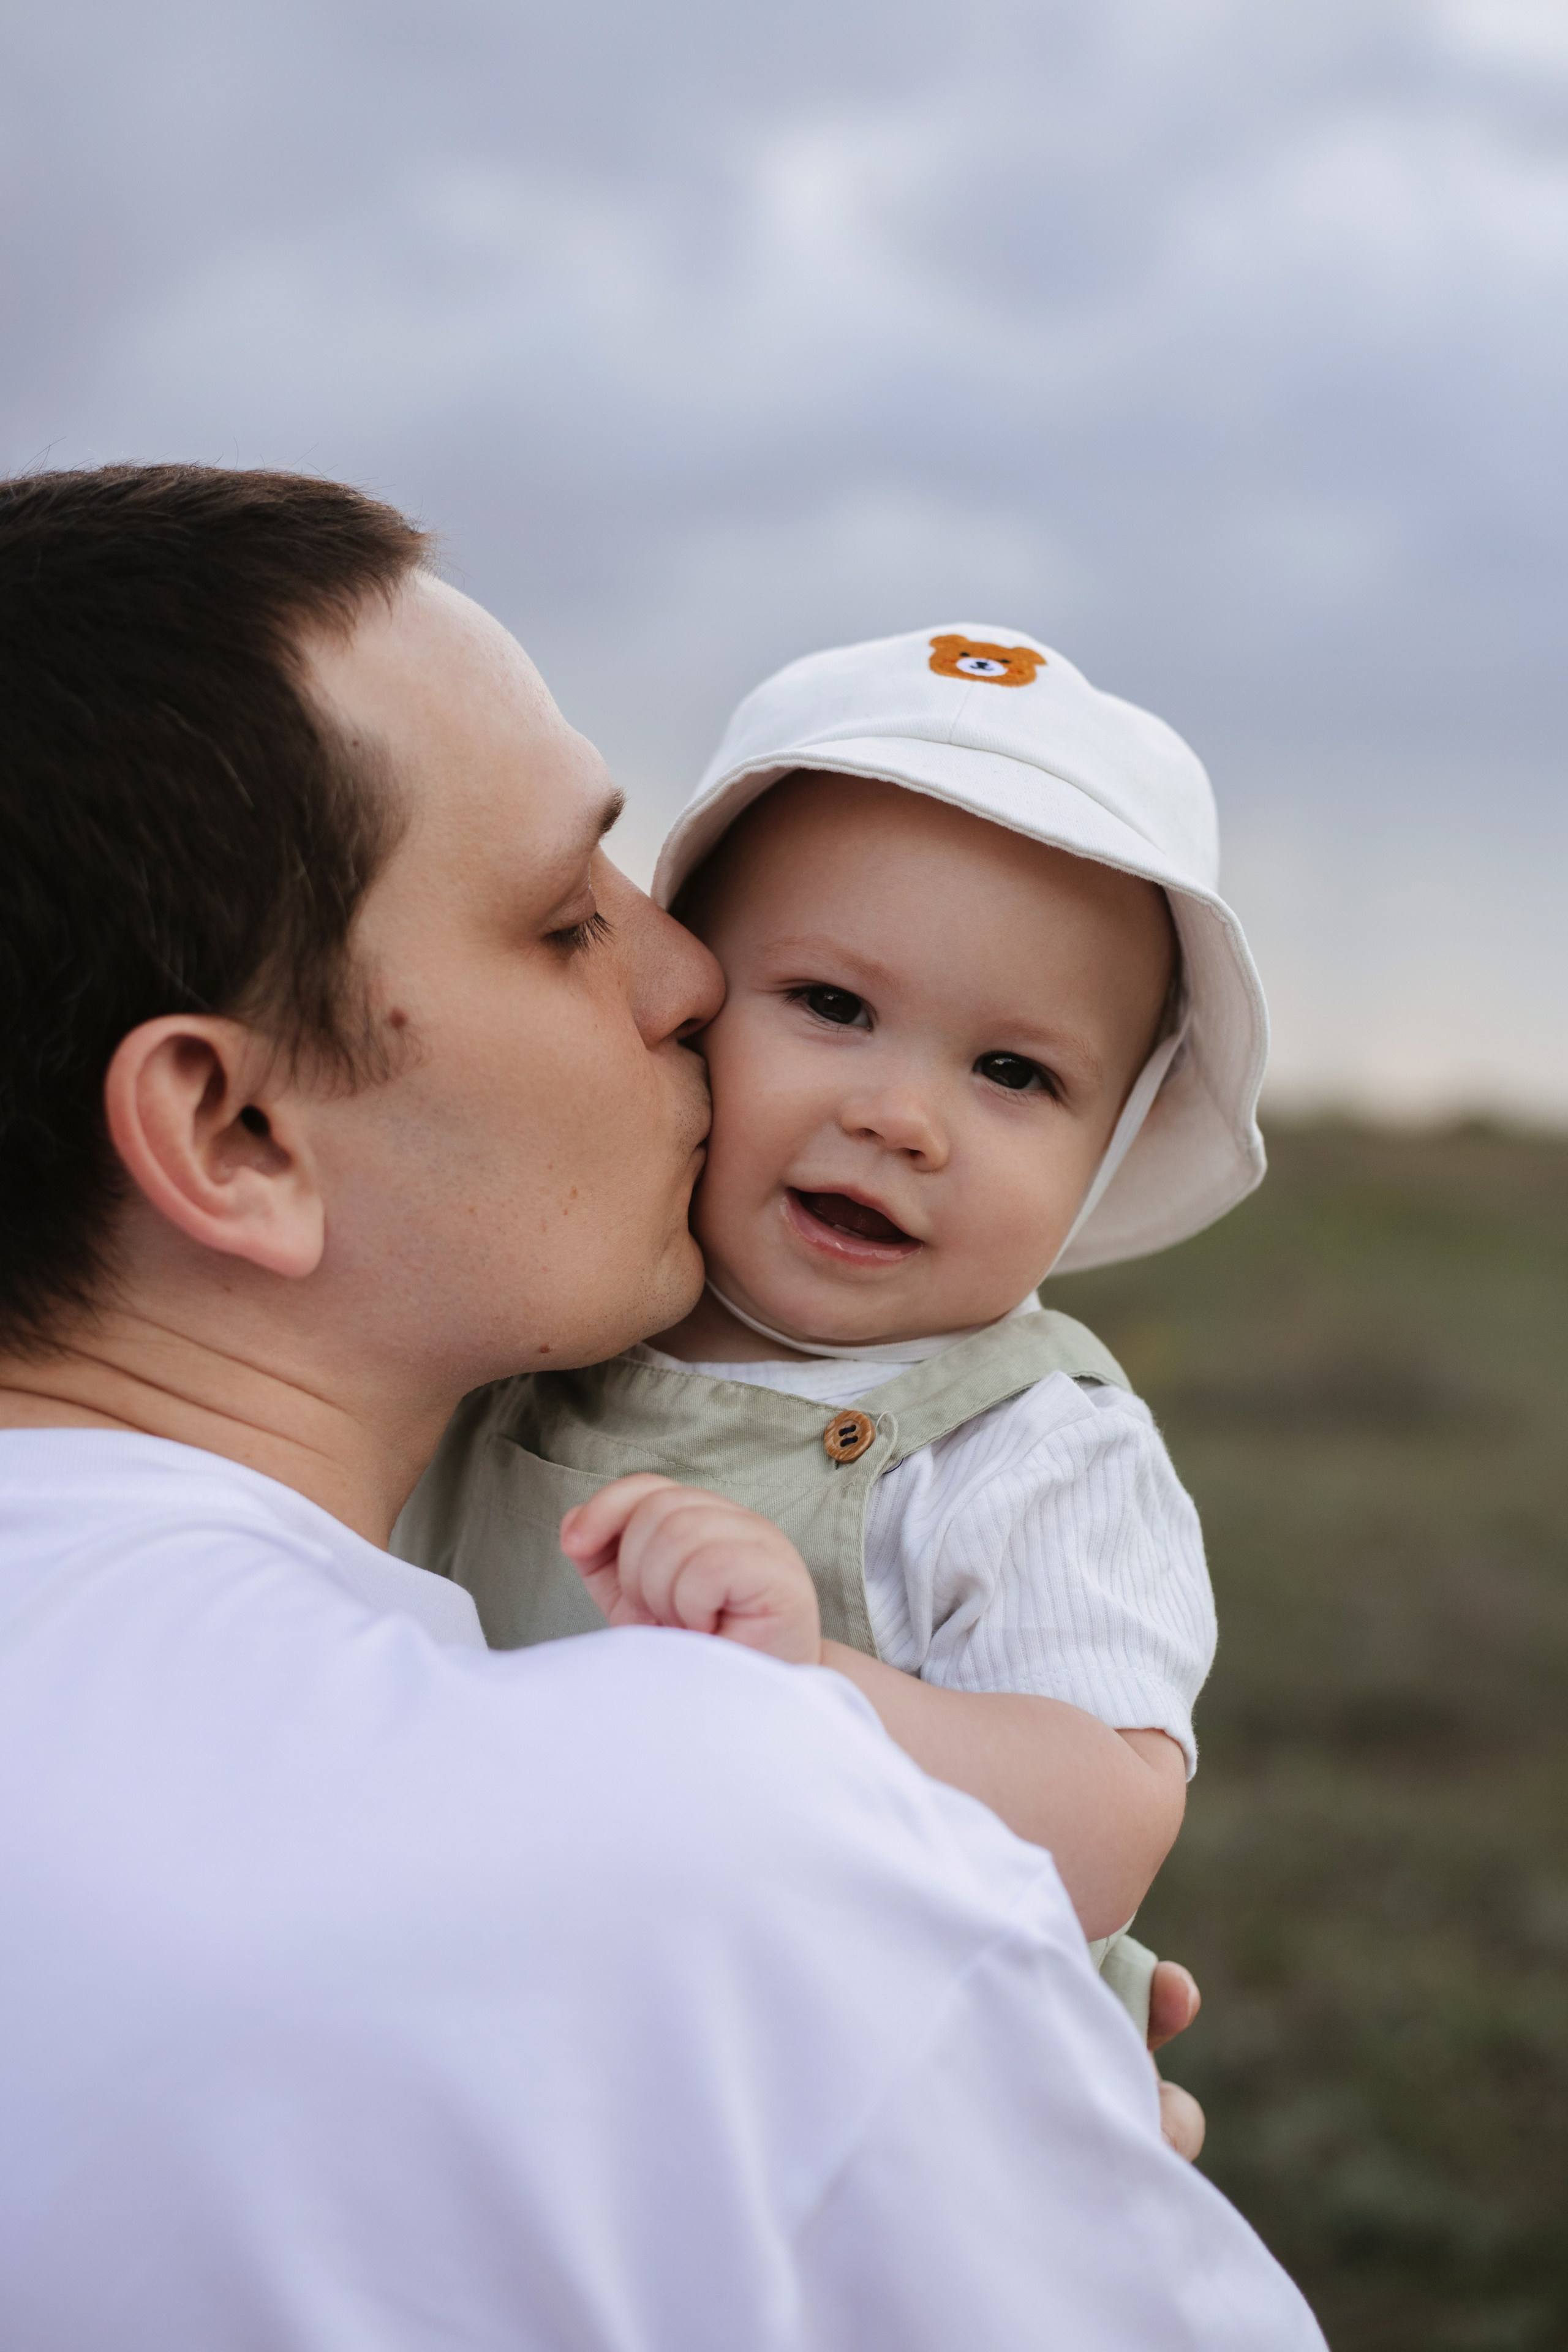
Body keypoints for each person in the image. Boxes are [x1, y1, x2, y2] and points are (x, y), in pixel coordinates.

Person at [0, 464, 1324, 2350]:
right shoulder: (741, 1854)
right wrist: (951, 2109)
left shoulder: (1012, 1448)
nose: (687, 975)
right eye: (565, 918)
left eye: (1020, 1071)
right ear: (235, 1131)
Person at [398, 626, 1261, 2049]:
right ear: (686, 998)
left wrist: (809, 1690)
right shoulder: (540, 1314)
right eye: (831, 1006)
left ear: (1110, 1145)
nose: (899, 1118)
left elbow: (1101, 1831)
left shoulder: (1029, 1448)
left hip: (857, 2082)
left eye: (1011, 1072)